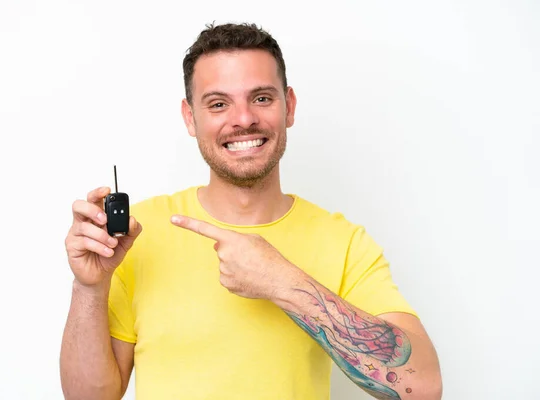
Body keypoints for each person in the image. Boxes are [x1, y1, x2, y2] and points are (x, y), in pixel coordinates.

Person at [60, 22, 442, 400]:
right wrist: (88, 288)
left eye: (261, 98)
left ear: (288, 106)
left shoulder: (344, 242)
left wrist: (282, 282)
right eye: (218, 104)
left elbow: (422, 388)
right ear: (190, 117)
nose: (243, 119)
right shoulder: (137, 235)